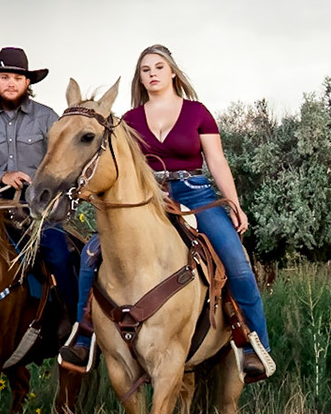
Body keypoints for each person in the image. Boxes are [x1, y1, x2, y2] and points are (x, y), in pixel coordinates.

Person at [72, 44, 276, 382]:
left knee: (237, 263)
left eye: (158, 67)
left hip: (194, 193)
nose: (152, 74)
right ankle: (84, 337)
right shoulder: (129, 120)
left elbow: (217, 162)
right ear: (140, 78)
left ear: (172, 72)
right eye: (145, 70)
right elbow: (117, 164)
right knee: (92, 253)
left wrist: (234, 202)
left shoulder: (197, 112)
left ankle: (254, 347)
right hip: (147, 195)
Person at [0, 46, 76, 320]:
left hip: (40, 210)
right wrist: (1, 176)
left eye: (17, 77)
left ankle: (79, 326)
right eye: (4, 77)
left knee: (59, 257)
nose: (11, 83)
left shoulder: (47, 117)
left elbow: (67, 160)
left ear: (27, 82)